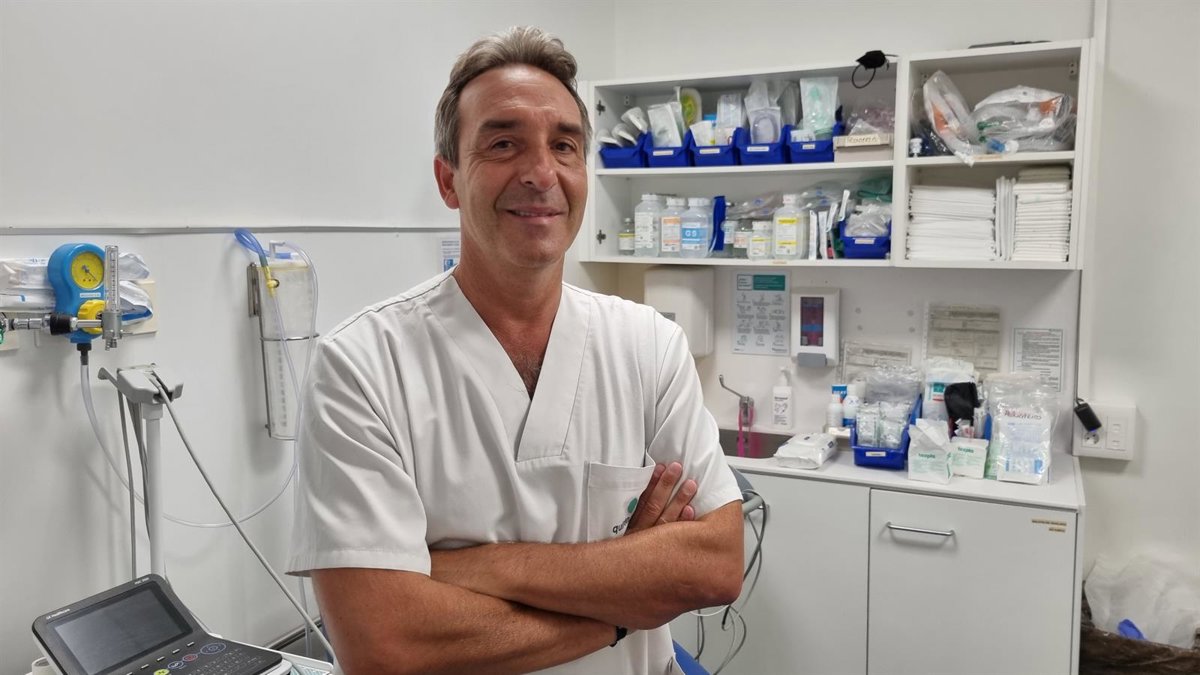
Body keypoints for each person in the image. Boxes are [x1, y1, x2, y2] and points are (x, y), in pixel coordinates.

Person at [287, 26, 744, 675]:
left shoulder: (649, 346)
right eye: (503, 143)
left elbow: (716, 564)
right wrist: (627, 604)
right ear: (448, 180)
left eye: (564, 145)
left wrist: (479, 567)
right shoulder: (362, 366)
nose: (540, 173)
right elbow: (386, 646)